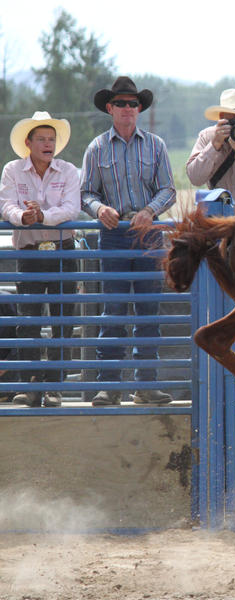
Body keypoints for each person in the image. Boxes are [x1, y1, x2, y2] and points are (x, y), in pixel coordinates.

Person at [81, 76, 177, 406]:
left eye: (133, 104)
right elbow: (86, 193)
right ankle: (110, 386)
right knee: (114, 314)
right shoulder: (96, 148)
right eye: (121, 103)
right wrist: (100, 208)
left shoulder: (156, 145)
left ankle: (145, 385)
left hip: (148, 234)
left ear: (139, 109)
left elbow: (169, 189)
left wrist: (150, 211)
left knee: (148, 314)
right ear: (110, 108)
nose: (127, 109)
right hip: (114, 233)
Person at [0, 111, 81, 407]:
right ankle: (32, 385)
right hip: (32, 252)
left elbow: (72, 207)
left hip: (62, 251)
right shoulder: (12, 170)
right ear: (28, 143)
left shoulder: (68, 170)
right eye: (42, 139)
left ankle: (53, 386)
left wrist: (41, 216)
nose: (48, 144)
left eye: (52, 139)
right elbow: (6, 204)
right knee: (28, 322)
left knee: (63, 321)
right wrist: (24, 216)